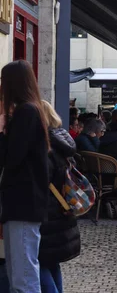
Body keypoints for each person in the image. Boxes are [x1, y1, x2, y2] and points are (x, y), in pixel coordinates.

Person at [0, 60, 49, 292]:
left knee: (23, 277)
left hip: (23, 203)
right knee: (19, 273)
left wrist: (2, 130)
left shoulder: (26, 112)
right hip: (22, 204)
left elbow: (11, 158)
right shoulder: (30, 111)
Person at [39, 101, 81, 293]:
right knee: (51, 262)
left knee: (39, 262)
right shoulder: (63, 143)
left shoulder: (46, 147)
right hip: (63, 208)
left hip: (48, 212)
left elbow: (40, 180)